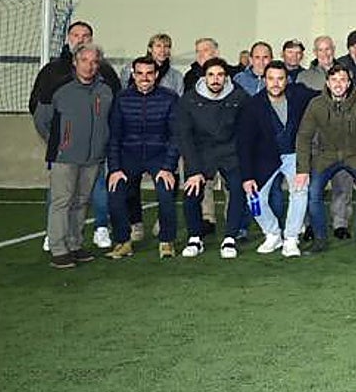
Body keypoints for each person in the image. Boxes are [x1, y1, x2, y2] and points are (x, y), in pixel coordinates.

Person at [29, 20, 121, 251]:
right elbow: (41, 117)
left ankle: (75, 243)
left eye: (93, 62)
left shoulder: (106, 84)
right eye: (84, 61)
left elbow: (114, 114)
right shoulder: (56, 82)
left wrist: (103, 140)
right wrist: (59, 141)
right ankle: (58, 246)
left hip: (94, 156)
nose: (89, 66)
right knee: (61, 201)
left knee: (82, 201)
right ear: (75, 61)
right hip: (65, 155)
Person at [294, 63, 356, 251]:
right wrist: (302, 169)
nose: (338, 84)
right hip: (326, 156)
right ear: (327, 83)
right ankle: (319, 239)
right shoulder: (316, 105)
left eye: (343, 80)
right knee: (312, 193)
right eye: (334, 80)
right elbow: (303, 137)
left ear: (349, 83)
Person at [237, 60, 317, 258]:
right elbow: (244, 144)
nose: (275, 83)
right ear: (264, 80)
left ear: (286, 80)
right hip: (265, 158)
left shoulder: (298, 94)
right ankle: (272, 234)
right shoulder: (252, 106)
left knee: (300, 190)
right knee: (253, 197)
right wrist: (247, 177)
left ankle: (291, 238)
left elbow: (325, 95)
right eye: (271, 79)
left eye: (280, 79)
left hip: (294, 155)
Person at [105, 56, 179, 260]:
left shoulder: (170, 98)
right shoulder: (121, 98)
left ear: (156, 75)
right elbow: (114, 137)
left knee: (166, 192)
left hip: (159, 155)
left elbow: (175, 136)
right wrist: (115, 169)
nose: (144, 78)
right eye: (140, 73)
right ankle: (123, 241)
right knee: (115, 190)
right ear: (133, 74)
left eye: (149, 73)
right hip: (129, 155)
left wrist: (168, 166)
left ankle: (166, 241)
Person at [175, 58, 249, 259]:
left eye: (220, 75)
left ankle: (230, 238)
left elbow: (245, 132)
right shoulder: (189, 100)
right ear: (204, 77)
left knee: (237, 189)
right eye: (211, 75)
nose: (215, 79)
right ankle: (194, 238)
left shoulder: (239, 97)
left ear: (226, 78)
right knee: (192, 192)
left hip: (230, 152)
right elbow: (184, 135)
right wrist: (194, 169)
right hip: (200, 153)